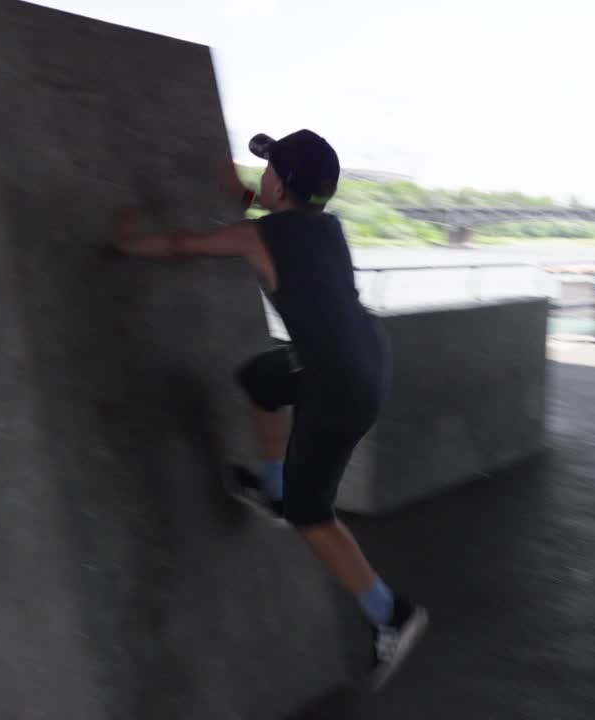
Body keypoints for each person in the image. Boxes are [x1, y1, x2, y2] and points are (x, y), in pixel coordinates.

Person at [114, 129, 427, 689]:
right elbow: (271, 218)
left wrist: (129, 243)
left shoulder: (260, 236)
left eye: (268, 170)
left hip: (338, 382)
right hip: (357, 355)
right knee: (260, 378)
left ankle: (390, 613)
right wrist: (240, 191)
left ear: (280, 184)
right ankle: (273, 488)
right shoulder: (324, 225)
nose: (260, 178)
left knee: (315, 516)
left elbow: (185, 245)